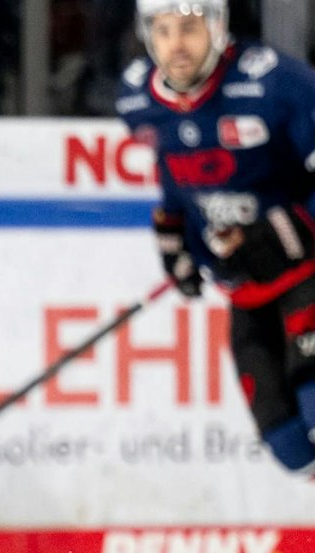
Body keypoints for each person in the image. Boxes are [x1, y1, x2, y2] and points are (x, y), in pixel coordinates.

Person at [120, 0, 315, 476]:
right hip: (245, 287)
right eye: (162, 30)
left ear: (217, 26)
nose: (176, 44)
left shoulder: (274, 82)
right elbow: (178, 179)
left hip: (308, 273)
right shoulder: (136, 99)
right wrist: (175, 240)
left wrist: (290, 229)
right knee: (287, 443)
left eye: (188, 27)